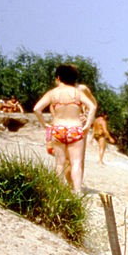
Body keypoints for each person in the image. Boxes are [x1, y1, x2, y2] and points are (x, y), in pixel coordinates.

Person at [32, 64, 96, 193]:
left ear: (58, 77)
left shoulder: (52, 93)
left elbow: (37, 109)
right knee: (76, 163)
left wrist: (45, 124)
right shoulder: (78, 93)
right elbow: (92, 107)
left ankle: (58, 192)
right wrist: (87, 125)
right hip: (75, 128)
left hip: (58, 129)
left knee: (59, 163)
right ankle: (77, 192)